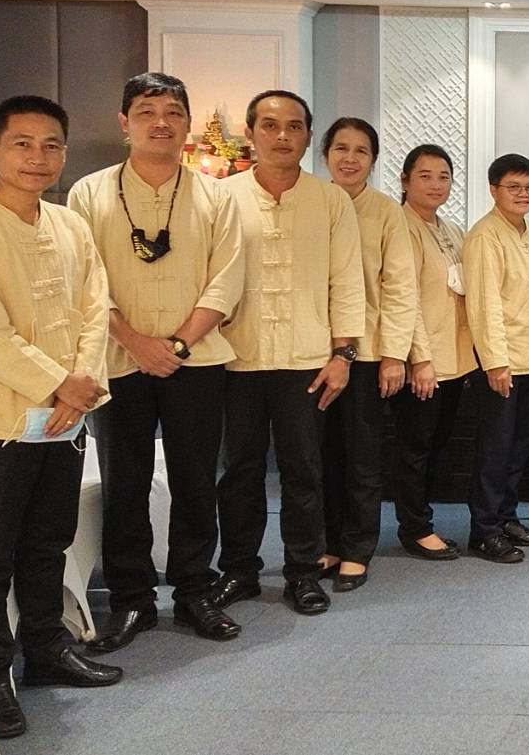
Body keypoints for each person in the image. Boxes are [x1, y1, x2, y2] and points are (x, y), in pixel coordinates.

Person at [0, 96, 121, 739]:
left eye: (51, 145)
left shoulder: (70, 226)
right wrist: (61, 383)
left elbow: (95, 309)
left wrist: (79, 387)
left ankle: (45, 649)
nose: (38, 157)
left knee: (48, 541)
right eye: (22, 143)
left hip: (65, 419)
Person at [68, 72, 244, 653]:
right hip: (119, 360)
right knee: (126, 482)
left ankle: (194, 590)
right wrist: (137, 342)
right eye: (146, 111)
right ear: (125, 122)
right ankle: (132, 599)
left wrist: (179, 346)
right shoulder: (88, 194)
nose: (160, 122)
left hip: (198, 361)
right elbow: (85, 282)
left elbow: (227, 280)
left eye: (172, 112)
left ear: (188, 122)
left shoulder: (217, 195)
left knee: (196, 479)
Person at [211, 90, 365, 617]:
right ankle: (239, 570)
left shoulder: (331, 201)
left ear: (307, 136)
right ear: (250, 133)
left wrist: (343, 355)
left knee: (304, 470)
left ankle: (302, 571)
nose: (282, 136)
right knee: (239, 471)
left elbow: (347, 280)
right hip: (236, 357)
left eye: (295, 126)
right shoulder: (220, 196)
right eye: (271, 125)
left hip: (307, 359)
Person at [319, 118, 417, 591]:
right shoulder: (312, 202)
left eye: (361, 151)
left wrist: (395, 354)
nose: (350, 158)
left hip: (368, 351)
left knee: (361, 454)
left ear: (373, 161)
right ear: (325, 154)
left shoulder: (385, 212)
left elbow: (399, 287)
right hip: (312, 351)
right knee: (318, 454)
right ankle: (327, 542)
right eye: (341, 148)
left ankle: (357, 548)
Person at [463, 153, 529, 563]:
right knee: (495, 450)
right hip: (502, 363)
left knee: (518, 447)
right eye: (513, 187)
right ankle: (484, 531)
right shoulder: (485, 236)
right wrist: (495, 362)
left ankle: (506, 518)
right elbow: (484, 306)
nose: (523, 194)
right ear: (493, 190)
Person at [389, 144, 475, 561]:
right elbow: (404, 300)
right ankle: (415, 527)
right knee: (414, 447)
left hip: (454, 358)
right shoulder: (399, 228)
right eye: (425, 176)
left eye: (444, 176)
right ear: (405, 181)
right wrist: (419, 359)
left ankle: (423, 519)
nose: (436, 184)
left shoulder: (452, 230)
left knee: (436, 444)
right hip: (422, 362)